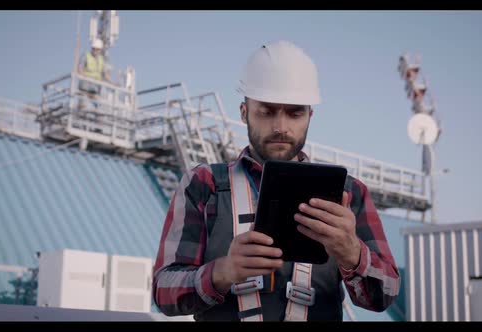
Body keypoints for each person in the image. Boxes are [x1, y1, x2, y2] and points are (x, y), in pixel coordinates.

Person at [152, 40, 400, 321]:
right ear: (244, 112)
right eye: (266, 111)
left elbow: (386, 294)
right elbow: (163, 291)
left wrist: (352, 253)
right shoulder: (203, 184)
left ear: (310, 116)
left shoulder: (349, 192)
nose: (280, 127)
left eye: (294, 112)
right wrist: (223, 271)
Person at [77, 39, 112, 109]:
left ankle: (98, 115)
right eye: (94, 49)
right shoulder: (86, 55)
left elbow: (105, 74)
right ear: (92, 48)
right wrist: (83, 76)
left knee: (98, 105)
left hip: (95, 87)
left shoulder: (101, 59)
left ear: (100, 50)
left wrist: (112, 83)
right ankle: (81, 109)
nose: (95, 51)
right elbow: (80, 68)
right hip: (85, 85)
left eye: (97, 49)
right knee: (82, 105)